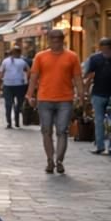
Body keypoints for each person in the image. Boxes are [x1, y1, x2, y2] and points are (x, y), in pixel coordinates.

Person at [27, 28, 86, 174]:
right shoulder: (40, 56)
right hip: (44, 98)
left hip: (65, 99)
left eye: (58, 39)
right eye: (53, 40)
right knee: (46, 131)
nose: (56, 42)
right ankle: (49, 160)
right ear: (49, 41)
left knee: (62, 131)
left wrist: (81, 94)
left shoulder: (72, 56)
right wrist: (30, 95)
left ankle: (59, 160)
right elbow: (34, 77)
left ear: (62, 40)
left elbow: (77, 77)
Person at [0, 46, 31, 128]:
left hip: (8, 85)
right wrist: (25, 79)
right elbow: (29, 71)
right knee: (18, 104)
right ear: (19, 53)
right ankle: (16, 121)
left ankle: (9, 123)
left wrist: (0, 84)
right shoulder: (23, 61)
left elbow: (1, 74)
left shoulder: (5, 61)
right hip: (19, 85)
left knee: (8, 104)